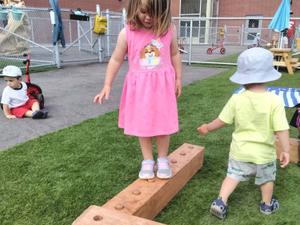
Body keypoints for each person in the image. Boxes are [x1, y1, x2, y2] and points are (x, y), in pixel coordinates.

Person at [197, 47, 290, 219]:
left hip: (240, 151)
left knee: (232, 176)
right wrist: (286, 150)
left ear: (243, 78)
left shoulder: (237, 98)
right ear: (267, 75)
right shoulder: (274, 101)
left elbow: (222, 120)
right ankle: (267, 205)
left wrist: (207, 127)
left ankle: (221, 201)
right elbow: (281, 129)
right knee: (267, 179)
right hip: (264, 154)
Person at [94, 0, 182, 180]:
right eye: (143, 12)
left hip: (163, 88)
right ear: (135, 9)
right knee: (143, 125)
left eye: (154, 13)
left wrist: (179, 78)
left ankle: (163, 159)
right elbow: (116, 59)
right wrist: (107, 84)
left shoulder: (168, 30)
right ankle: (148, 160)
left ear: (164, 11)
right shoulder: (127, 33)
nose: (148, 17)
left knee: (163, 124)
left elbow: (174, 54)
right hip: (140, 90)